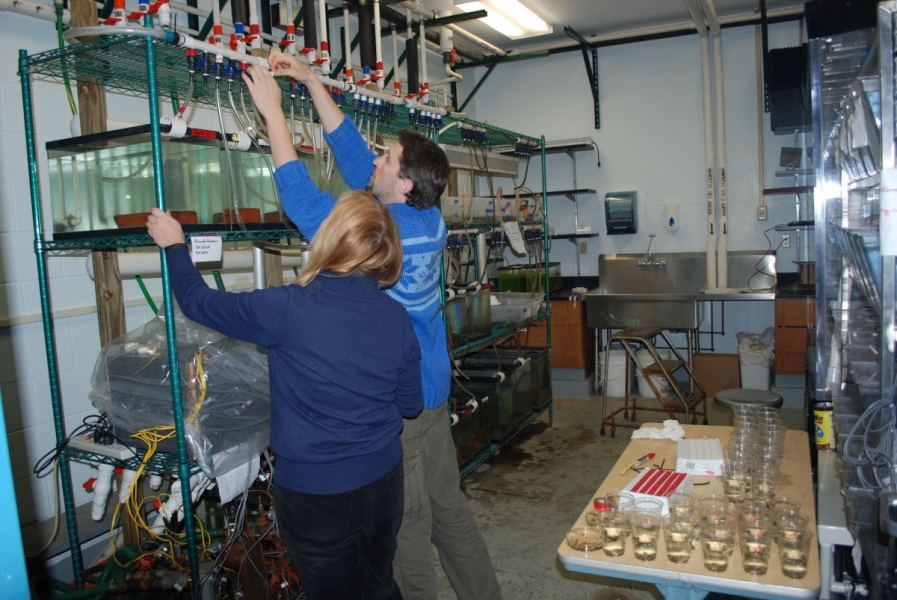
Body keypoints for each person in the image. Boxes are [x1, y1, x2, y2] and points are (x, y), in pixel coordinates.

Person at [243, 51, 503, 600]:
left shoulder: (383, 233)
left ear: (403, 184)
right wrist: (314, 81)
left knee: (407, 532)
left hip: (397, 404)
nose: (377, 163)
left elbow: (302, 201)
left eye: (387, 160)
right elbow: (357, 159)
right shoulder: (426, 216)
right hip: (431, 388)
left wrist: (273, 115)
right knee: (449, 511)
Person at [145, 192, 422, 600]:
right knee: (378, 584)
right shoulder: (396, 316)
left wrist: (173, 246)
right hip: (384, 482)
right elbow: (410, 405)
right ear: (385, 251)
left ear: (330, 239)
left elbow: (198, 303)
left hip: (318, 493)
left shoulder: (288, 308)